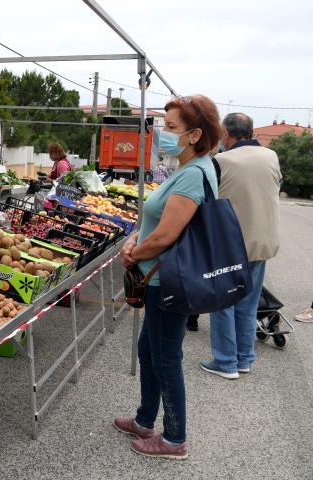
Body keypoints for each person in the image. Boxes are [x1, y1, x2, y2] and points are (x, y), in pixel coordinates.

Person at [115, 95, 222, 460]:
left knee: (165, 358)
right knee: (149, 350)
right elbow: (155, 224)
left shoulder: (193, 173)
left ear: (194, 135)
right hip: (161, 277)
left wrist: (133, 254)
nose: (163, 133)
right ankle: (146, 419)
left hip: (168, 281)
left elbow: (166, 236)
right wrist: (135, 236)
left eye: (172, 127)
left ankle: (174, 439)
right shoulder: (188, 167)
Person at [200, 113, 282, 379]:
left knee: (224, 301)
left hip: (230, 243)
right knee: (248, 300)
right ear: (251, 131)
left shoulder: (221, 160)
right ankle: (245, 358)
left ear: (226, 134)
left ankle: (225, 362)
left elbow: (207, 198)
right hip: (262, 240)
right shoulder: (271, 156)